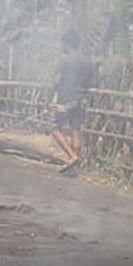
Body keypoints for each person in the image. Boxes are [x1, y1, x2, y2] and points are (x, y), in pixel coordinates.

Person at [51, 31, 96, 172]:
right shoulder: (88, 62)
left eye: (63, 44)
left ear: (68, 44)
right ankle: (74, 165)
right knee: (75, 130)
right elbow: (92, 82)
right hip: (81, 100)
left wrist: (49, 98)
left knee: (55, 129)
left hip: (66, 99)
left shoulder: (64, 60)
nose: (61, 46)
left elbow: (56, 81)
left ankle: (72, 157)